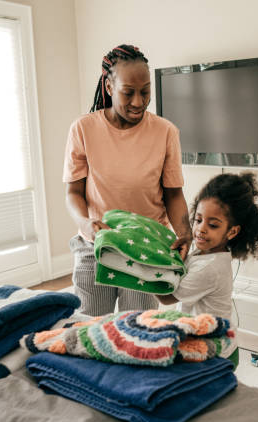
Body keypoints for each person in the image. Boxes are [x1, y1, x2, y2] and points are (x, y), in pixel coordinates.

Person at [63, 44, 192, 316]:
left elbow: (173, 194)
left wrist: (184, 233)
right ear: (109, 88)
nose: (138, 101)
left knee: (139, 329)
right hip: (94, 244)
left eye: (145, 92)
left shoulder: (166, 131)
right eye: (128, 92)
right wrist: (84, 222)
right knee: (90, 325)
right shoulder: (83, 128)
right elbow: (74, 192)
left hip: (145, 248)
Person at [156, 172, 258, 321]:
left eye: (212, 225)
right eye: (198, 220)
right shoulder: (205, 253)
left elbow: (166, 298)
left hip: (209, 339)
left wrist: (148, 266)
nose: (201, 229)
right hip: (199, 329)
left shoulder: (209, 268)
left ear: (232, 232)